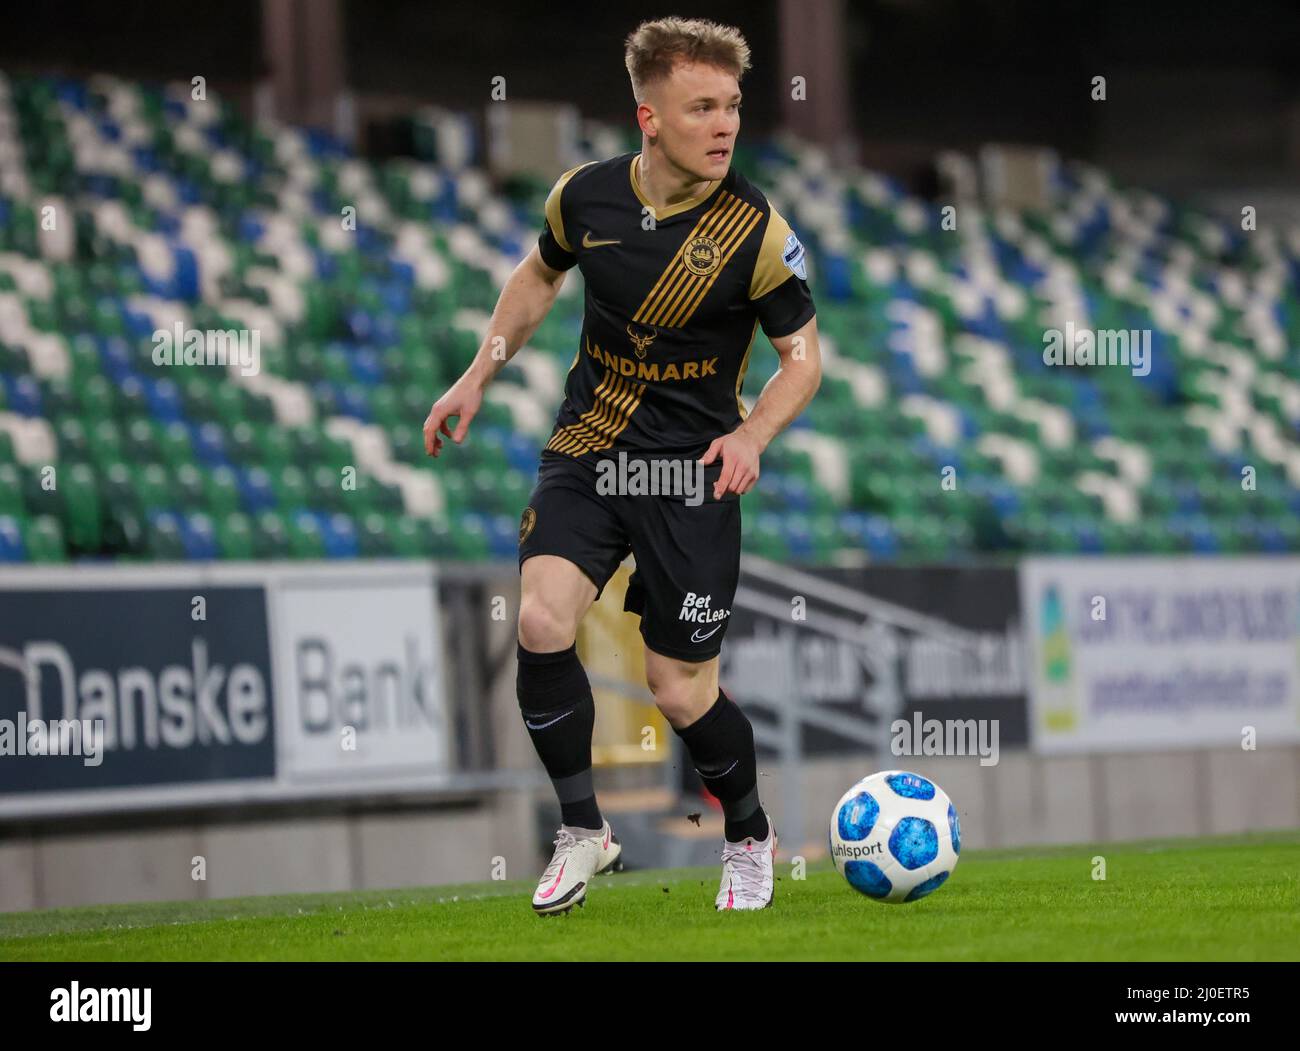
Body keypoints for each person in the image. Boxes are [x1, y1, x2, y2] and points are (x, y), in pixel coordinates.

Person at [424, 16, 821, 914]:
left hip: (691, 477)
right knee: (538, 617)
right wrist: (477, 372)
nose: (724, 126)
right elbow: (536, 278)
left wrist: (752, 435)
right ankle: (582, 830)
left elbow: (805, 359)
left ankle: (748, 835)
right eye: (702, 107)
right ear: (649, 117)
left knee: (677, 689)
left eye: (732, 106)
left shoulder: (756, 231)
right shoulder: (584, 197)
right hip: (591, 450)